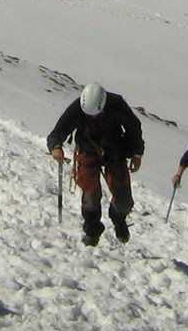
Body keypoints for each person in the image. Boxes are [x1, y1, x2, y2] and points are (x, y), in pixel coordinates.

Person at [47, 82, 144, 246]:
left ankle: (119, 219)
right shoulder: (78, 108)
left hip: (114, 150)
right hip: (87, 149)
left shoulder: (117, 104)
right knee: (90, 196)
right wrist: (55, 147)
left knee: (124, 200)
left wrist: (137, 153)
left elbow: (134, 127)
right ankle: (92, 232)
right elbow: (58, 132)